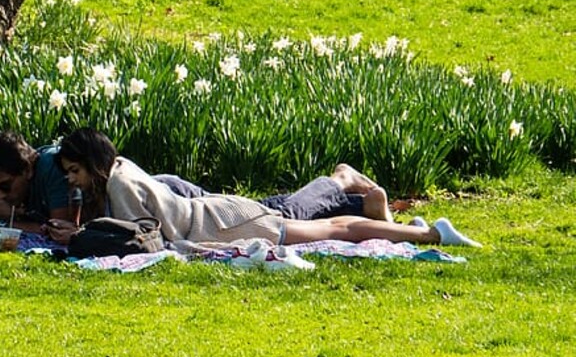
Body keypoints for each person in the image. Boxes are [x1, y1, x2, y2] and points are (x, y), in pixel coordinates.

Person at [47, 128, 481, 249]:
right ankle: (420, 230)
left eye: (73, 171)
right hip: (218, 220)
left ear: (92, 165)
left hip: (225, 226)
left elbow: (145, 237)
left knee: (341, 230)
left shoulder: (120, 183)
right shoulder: (120, 172)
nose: (70, 180)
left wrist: (80, 236)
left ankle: (430, 233)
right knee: (336, 226)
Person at [154, 162, 393, 222]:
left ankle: (340, 180)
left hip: (168, 198)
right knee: (263, 211)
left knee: (276, 219)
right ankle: (360, 206)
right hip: (166, 194)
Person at [0, 132, 76, 234]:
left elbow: (59, 229)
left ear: (27, 170)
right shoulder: (4, 177)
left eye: (5, 186)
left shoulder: (52, 167)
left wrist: (4, 225)